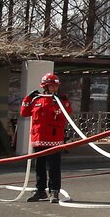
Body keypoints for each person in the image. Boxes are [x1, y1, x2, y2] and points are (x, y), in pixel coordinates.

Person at [19, 72, 70, 203]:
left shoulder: (59, 101)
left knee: (54, 167)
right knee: (39, 167)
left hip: (54, 140)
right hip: (38, 139)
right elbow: (24, 113)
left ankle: (54, 191)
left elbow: (66, 114)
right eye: (52, 86)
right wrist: (28, 99)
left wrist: (63, 101)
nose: (55, 88)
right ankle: (40, 191)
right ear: (45, 86)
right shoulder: (37, 100)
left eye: (56, 86)